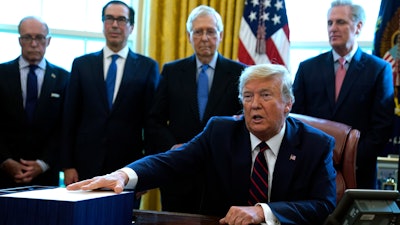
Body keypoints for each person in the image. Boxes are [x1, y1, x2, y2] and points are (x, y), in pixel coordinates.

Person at [68, 64, 337, 225]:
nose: (254, 104)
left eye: (265, 95)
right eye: (247, 96)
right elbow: (171, 162)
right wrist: (123, 174)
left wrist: (263, 212)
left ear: (288, 104)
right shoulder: (221, 132)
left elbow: (323, 205)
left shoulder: (316, 144)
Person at [145, 5, 246, 213]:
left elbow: (245, 121)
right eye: (198, 32)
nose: (204, 37)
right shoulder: (172, 71)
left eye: (210, 31)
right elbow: (154, 120)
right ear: (189, 36)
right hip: (179, 173)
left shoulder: (239, 72)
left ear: (221, 35)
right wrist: (173, 147)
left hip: (222, 173)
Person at [61, 0, 159, 206]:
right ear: (103, 24)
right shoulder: (81, 64)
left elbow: (152, 125)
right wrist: (67, 165)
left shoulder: (147, 67)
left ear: (131, 27)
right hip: (84, 167)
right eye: (110, 19)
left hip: (127, 170)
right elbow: (69, 118)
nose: (115, 24)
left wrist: (146, 172)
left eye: (122, 19)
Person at [292, 0, 394, 189]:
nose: (333, 28)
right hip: (312, 169)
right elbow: (297, 118)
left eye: (340, 22)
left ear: (358, 27)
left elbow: (382, 126)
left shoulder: (379, 69)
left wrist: (351, 158)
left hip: (359, 172)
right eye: (330, 23)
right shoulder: (307, 68)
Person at [0, 16, 69, 188]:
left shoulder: (64, 78)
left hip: (46, 175)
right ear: (19, 40)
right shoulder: (1, 73)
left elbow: (65, 126)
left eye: (39, 37)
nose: (33, 43)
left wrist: (43, 163)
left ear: (48, 41)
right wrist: (5, 160)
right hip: (4, 173)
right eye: (27, 37)